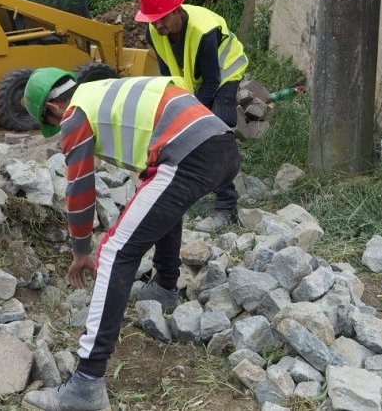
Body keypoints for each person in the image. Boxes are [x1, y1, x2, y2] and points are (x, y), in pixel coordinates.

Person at [20, 68, 240, 411]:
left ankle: (86, 385)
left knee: (112, 251)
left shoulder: (75, 113)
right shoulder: (101, 91)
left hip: (190, 153)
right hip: (219, 144)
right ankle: (166, 287)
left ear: (52, 107)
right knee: (160, 201)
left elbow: (79, 186)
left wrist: (81, 250)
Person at [134, 0, 248, 233]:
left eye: (162, 18)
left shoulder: (204, 30)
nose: (157, 25)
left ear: (177, 11)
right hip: (194, 79)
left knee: (217, 129)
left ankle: (226, 207)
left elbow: (211, 81)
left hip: (225, 73)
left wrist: (192, 118)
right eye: (153, 19)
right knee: (185, 129)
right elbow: (169, 76)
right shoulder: (154, 31)